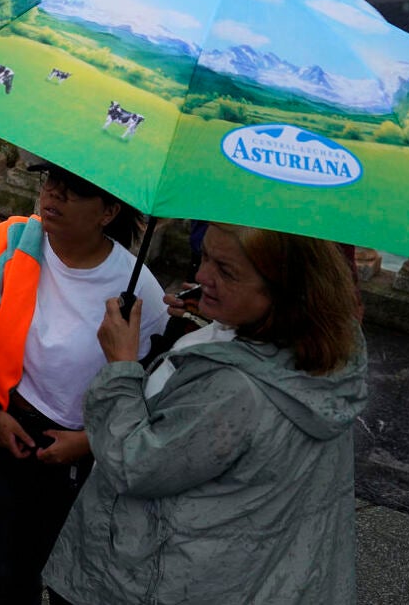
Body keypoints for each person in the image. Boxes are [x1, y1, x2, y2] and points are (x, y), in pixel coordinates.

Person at [43, 225, 367, 605]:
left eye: (225, 271)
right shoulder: (329, 348)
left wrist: (120, 366)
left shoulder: (234, 389)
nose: (201, 275)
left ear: (283, 290)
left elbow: (133, 463)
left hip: (166, 581)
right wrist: (218, 325)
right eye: (205, 257)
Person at [0, 164, 165, 605]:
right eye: (51, 180)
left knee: (70, 583)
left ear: (108, 212)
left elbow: (155, 394)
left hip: (84, 457)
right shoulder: (9, 244)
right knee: (0, 581)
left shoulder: (139, 291)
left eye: (73, 188)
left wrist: (88, 442)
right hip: (6, 433)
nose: (54, 193)